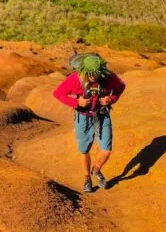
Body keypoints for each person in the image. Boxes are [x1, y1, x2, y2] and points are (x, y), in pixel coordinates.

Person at [52, 53, 126, 193]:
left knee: (106, 150)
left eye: (96, 74)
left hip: (102, 115)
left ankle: (96, 170)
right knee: (84, 150)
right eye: (90, 74)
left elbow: (120, 87)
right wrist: (76, 102)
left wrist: (111, 99)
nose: (93, 77)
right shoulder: (75, 79)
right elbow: (57, 93)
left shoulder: (108, 77)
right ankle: (87, 178)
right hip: (83, 117)